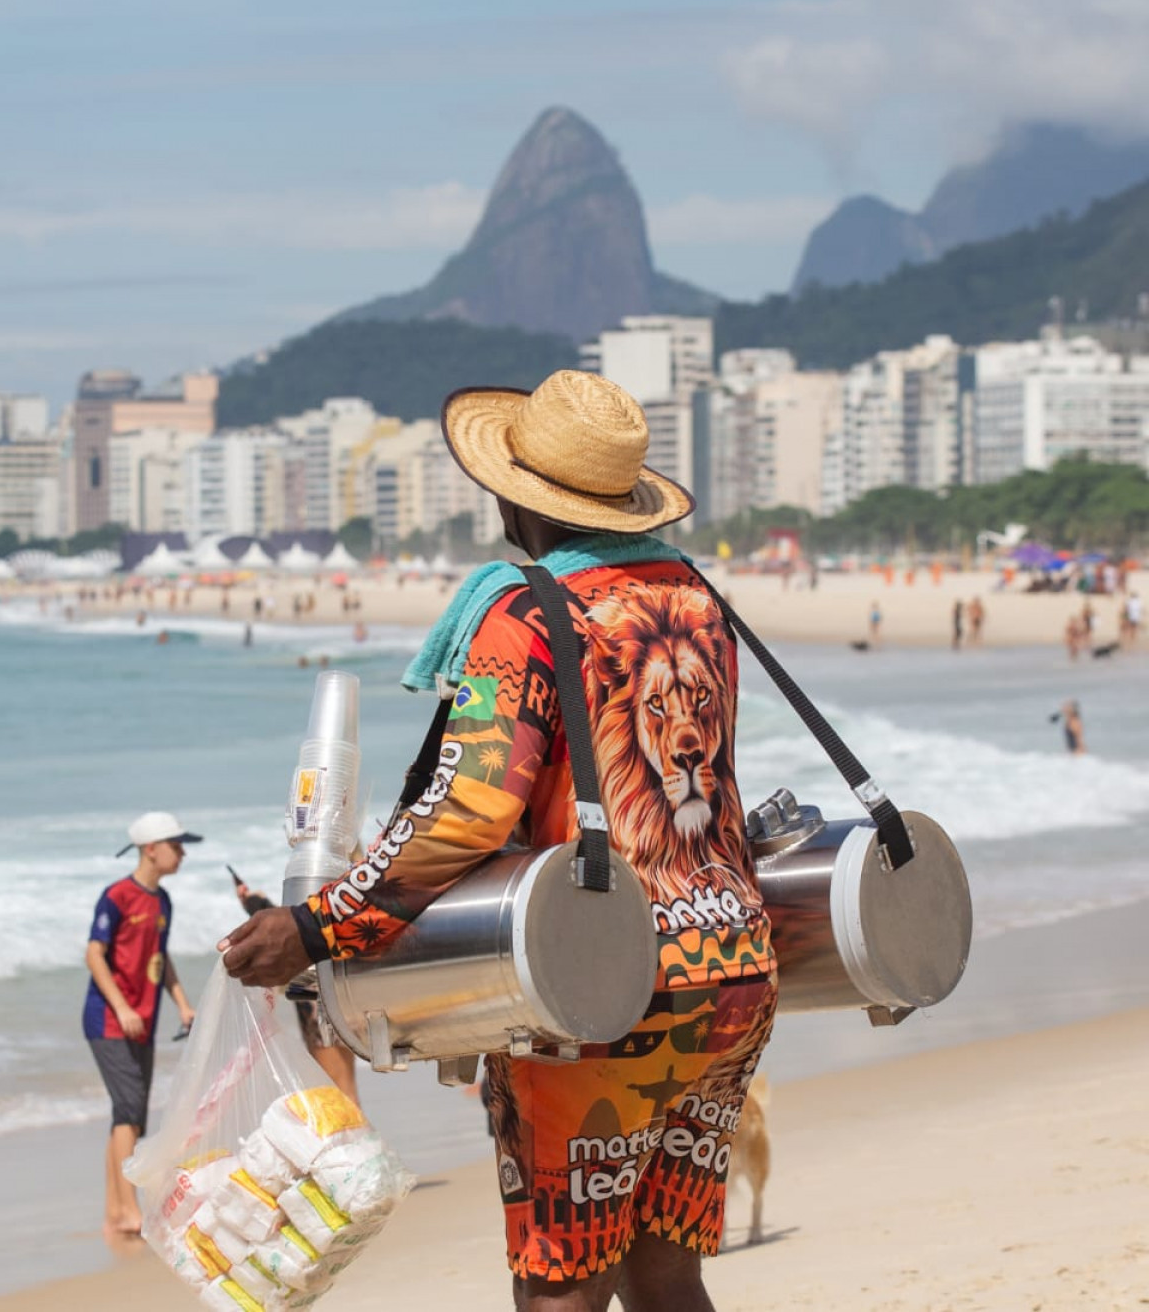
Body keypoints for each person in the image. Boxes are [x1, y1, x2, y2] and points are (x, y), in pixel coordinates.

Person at [221, 370, 777, 1311]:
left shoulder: (526, 613)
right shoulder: (691, 595)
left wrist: (316, 927)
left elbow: (466, 812)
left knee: (561, 1286)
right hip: (733, 971)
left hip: (605, 990)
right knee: (667, 1274)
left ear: (519, 499)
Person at [85, 811, 199, 1238]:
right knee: (129, 1111)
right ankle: (129, 1211)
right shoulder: (116, 896)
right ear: (151, 849)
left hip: (143, 1021)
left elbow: (160, 956)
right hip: (108, 1020)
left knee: (129, 1117)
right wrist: (122, 1008)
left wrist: (182, 1004)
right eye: (176, 845)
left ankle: (114, 1213)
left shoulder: (162, 901)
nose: (182, 853)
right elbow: (94, 955)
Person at [230, 869, 358, 1102]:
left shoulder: (315, 867)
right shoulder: (349, 876)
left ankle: (353, 1129)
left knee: (336, 1092)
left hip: (318, 986)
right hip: (339, 981)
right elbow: (309, 924)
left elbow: (302, 928)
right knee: (342, 1087)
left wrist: (259, 906)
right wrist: (258, 904)